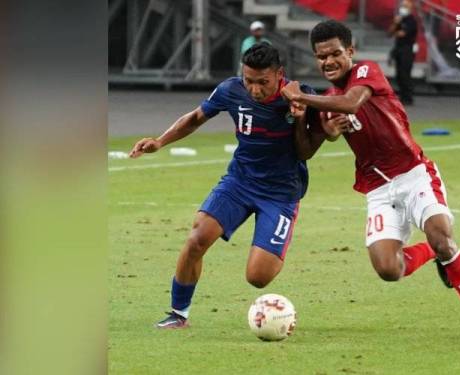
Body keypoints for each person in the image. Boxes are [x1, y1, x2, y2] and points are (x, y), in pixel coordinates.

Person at [281, 20, 460, 339]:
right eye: (321, 56)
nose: (328, 61)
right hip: (379, 190)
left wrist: (302, 97)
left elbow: (351, 102)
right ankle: (431, 253)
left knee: (442, 237)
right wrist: (309, 124)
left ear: (350, 51)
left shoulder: (366, 72)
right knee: (388, 269)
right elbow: (303, 151)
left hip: (415, 175)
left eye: (335, 53)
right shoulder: (327, 103)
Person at [129, 43, 323, 329]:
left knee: (258, 277)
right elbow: (196, 117)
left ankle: (276, 242)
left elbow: (310, 147)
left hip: (281, 193)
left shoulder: (302, 95)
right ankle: (178, 313)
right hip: (240, 181)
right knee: (197, 238)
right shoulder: (230, 90)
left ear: (279, 74)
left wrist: (302, 116)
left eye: (263, 82)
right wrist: (160, 141)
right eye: (249, 81)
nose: (255, 89)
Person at [387, 0, 418, 105]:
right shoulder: (400, 20)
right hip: (398, 48)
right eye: (403, 6)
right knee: (399, 74)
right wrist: (396, 23)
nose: (403, 8)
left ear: (410, 8)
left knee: (405, 73)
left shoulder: (411, 21)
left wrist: (397, 31)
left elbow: (402, 34)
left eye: (406, 6)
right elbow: (390, 33)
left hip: (407, 49)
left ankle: (408, 97)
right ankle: (402, 95)